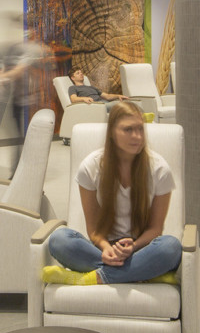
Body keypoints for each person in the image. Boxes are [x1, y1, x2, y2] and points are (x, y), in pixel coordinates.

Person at [45, 100, 182, 285]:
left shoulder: (159, 169)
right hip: (104, 249)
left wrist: (134, 247)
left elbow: (155, 229)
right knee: (59, 240)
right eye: (128, 130)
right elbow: (93, 230)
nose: (137, 136)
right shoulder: (90, 167)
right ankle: (144, 272)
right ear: (112, 133)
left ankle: (96, 278)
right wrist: (105, 248)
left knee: (170, 247)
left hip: (142, 248)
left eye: (140, 129)